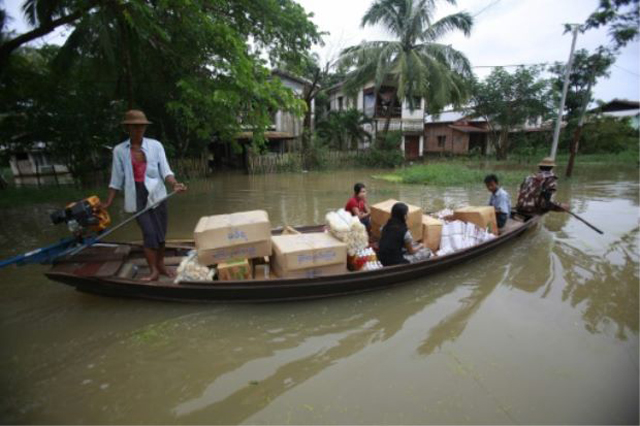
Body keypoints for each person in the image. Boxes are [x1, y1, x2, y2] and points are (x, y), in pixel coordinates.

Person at [101, 110, 187, 281]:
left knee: (161, 234)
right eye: (135, 127)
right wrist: (108, 202)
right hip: (137, 195)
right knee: (149, 233)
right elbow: (116, 180)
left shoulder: (156, 146)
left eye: (141, 126)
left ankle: (161, 265)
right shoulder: (120, 151)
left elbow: (166, 171)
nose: (139, 130)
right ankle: (153, 270)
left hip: (157, 194)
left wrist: (174, 184)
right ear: (128, 128)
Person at [378, 202, 430, 266]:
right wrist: (421, 246)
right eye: (407, 213)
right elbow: (411, 251)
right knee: (426, 251)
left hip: (381, 258)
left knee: (411, 244)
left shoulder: (384, 226)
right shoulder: (405, 232)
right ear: (404, 216)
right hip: (395, 262)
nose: (408, 215)